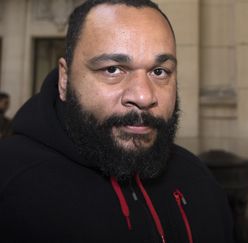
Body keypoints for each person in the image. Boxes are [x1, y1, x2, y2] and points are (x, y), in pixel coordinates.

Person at [0, 0, 234, 242]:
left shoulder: (198, 179)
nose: (143, 96)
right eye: (113, 69)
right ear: (64, 79)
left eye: (159, 72)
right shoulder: (9, 182)